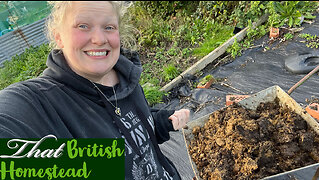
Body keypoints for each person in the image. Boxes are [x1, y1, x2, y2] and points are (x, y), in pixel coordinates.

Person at [0, 1, 190, 180]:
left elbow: (133, 136)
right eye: (83, 26)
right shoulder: (42, 101)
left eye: (109, 27)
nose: (99, 39)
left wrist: (162, 123)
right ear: (59, 37)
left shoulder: (125, 77)